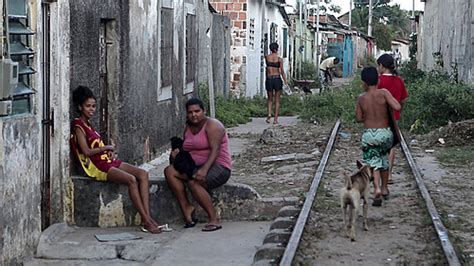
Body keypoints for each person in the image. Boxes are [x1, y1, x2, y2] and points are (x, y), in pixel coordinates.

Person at [70, 86, 161, 234]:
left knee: (143, 174)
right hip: (97, 166)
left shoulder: (89, 125)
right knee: (131, 180)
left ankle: (148, 216)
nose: (92, 109)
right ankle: (146, 220)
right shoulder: (78, 125)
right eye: (88, 106)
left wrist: (108, 152)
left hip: (106, 161)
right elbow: (86, 151)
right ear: (80, 107)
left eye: (93, 106)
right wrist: (104, 148)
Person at [164, 98, 232, 232]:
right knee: (169, 171)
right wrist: (175, 156)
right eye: (190, 112)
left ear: (204, 111)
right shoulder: (188, 127)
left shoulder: (213, 125)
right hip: (195, 166)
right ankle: (186, 208)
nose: (194, 115)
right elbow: (187, 149)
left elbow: (215, 150)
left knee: (194, 182)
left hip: (218, 166)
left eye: (197, 111)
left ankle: (214, 218)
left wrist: (204, 170)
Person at [355, 67, 401, 207]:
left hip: (369, 135)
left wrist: (368, 116)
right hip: (385, 133)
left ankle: (376, 188)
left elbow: (358, 118)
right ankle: (385, 188)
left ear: (363, 83)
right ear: (378, 79)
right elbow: (397, 106)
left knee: (373, 163)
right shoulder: (384, 93)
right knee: (384, 161)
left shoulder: (361, 98)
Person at [377, 53, 409, 187]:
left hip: (378, 118)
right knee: (391, 147)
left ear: (382, 66)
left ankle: (379, 174)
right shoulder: (399, 80)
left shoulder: (378, 81)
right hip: (394, 117)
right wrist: (398, 111)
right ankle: (389, 174)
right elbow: (404, 99)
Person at [265, 42, 288, 125]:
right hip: (277, 79)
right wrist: (285, 81)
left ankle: (269, 114)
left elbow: (267, 68)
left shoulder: (267, 57)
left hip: (269, 79)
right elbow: (281, 71)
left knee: (270, 99)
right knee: (277, 100)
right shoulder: (279, 59)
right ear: (276, 49)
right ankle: (275, 119)